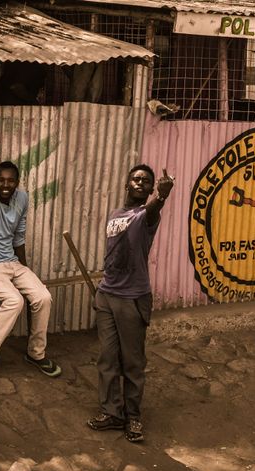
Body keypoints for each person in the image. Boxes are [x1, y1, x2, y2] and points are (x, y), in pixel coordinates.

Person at [87, 164, 174, 442]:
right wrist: (100, 290)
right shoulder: (115, 215)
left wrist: (161, 197)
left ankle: (133, 416)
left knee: (133, 362)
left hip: (132, 299)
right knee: (108, 359)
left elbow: (152, 211)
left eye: (146, 181)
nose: (140, 182)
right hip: (107, 295)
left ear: (150, 189)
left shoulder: (146, 216)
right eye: (135, 178)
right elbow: (113, 255)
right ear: (126, 184)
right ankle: (112, 412)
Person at [0, 160, 61, 380]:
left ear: (17, 182)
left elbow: (19, 235)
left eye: (10, 180)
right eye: (1, 180)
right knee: (15, 301)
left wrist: (24, 269)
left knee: (43, 296)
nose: (5, 185)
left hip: (13, 262)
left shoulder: (23, 199)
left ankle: (36, 354)